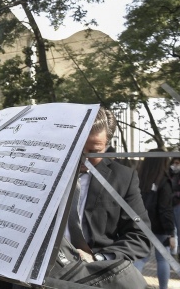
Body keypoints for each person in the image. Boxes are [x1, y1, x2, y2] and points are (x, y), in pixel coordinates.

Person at [68, 107, 151, 263]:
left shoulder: (123, 178)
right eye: (77, 148)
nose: (83, 158)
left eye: (94, 151)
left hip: (90, 276)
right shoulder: (40, 171)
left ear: (106, 146)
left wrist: (98, 258)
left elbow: (140, 237)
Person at [133, 150, 176, 289]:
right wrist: (171, 233)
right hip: (160, 228)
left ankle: (133, 285)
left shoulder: (139, 178)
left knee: (140, 259)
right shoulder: (164, 181)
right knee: (163, 259)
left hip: (141, 224)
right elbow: (165, 209)